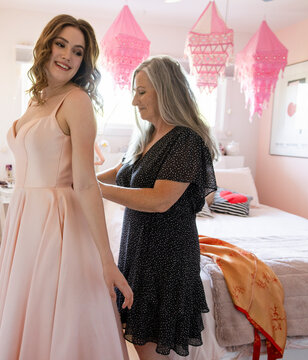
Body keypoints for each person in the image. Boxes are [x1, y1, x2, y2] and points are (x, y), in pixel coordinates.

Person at [0, 14, 133, 360]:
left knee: (57, 317)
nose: (67, 55)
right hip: (25, 218)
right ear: (47, 45)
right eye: (61, 44)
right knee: (25, 310)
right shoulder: (37, 99)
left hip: (58, 223)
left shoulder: (76, 101)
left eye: (77, 51)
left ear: (83, 62)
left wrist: (107, 261)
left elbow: (85, 183)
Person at [97, 56, 218, 359]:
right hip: (138, 247)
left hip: (166, 256)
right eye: (134, 92)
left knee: (147, 343)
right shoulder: (148, 134)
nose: (134, 101)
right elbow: (119, 172)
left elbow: (160, 199)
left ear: (165, 92)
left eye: (142, 92)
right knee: (140, 337)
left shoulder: (186, 139)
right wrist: (75, 182)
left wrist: (96, 191)